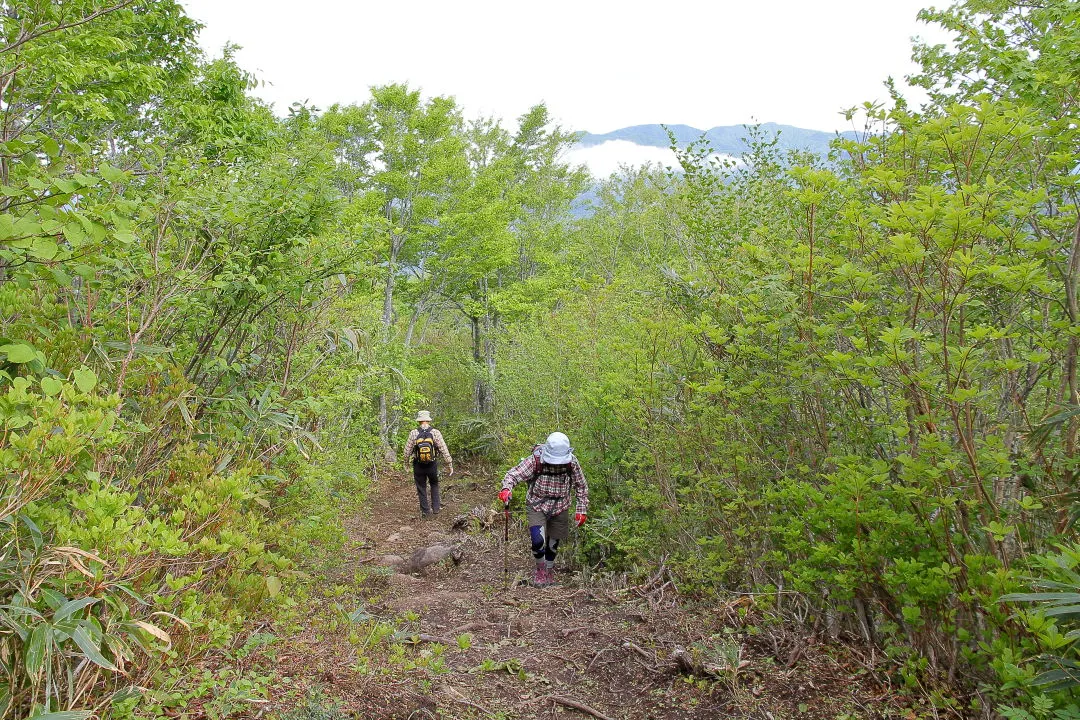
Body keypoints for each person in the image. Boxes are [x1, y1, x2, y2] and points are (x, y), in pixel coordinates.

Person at [498, 431, 588, 587]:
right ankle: (540, 570)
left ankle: (549, 570)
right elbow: (513, 474)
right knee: (538, 540)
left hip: (561, 505)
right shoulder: (536, 460)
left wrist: (581, 509)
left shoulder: (571, 462)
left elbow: (581, 486)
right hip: (537, 504)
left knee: (553, 541)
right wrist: (507, 488)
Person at [403, 410, 454, 518]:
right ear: (428, 420)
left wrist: (406, 463)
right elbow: (443, 449)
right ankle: (436, 508)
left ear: (419, 421)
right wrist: (449, 464)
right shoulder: (435, 432)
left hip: (418, 464)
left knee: (421, 487)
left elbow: (407, 450)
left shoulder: (414, 433)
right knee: (434, 484)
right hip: (432, 464)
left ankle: (425, 511)